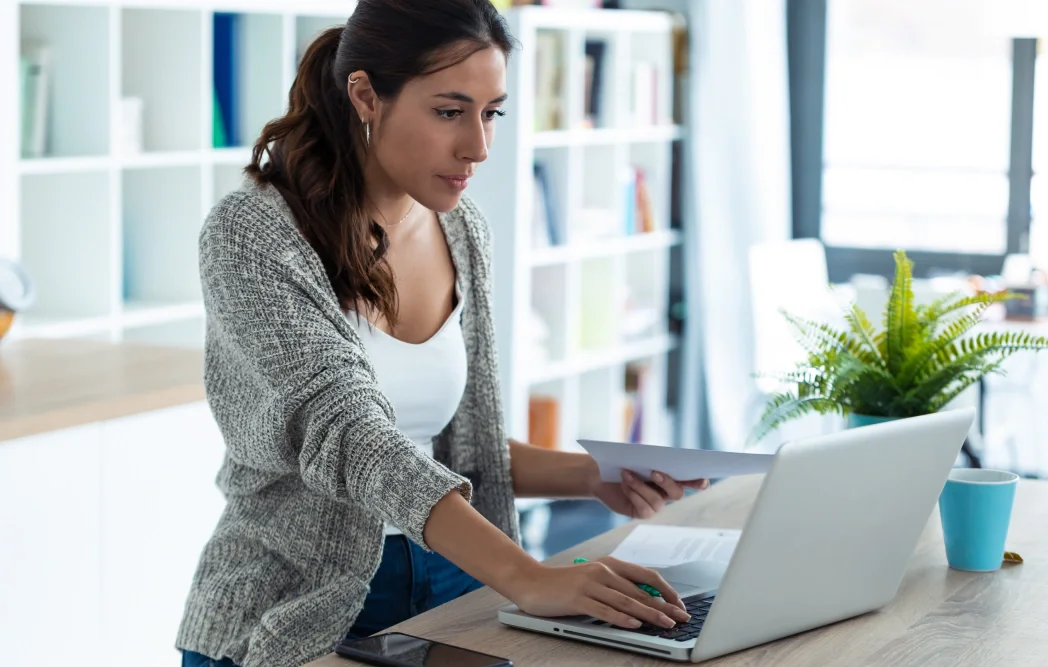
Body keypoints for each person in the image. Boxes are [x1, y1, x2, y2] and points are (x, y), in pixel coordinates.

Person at [176, 2, 708, 665]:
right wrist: (530, 576)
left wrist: (594, 474)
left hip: (457, 587)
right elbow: (355, 439)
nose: (478, 148)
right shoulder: (254, 234)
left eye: (491, 113)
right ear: (366, 95)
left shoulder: (462, 231)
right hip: (299, 604)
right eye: (450, 112)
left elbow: (453, 449)